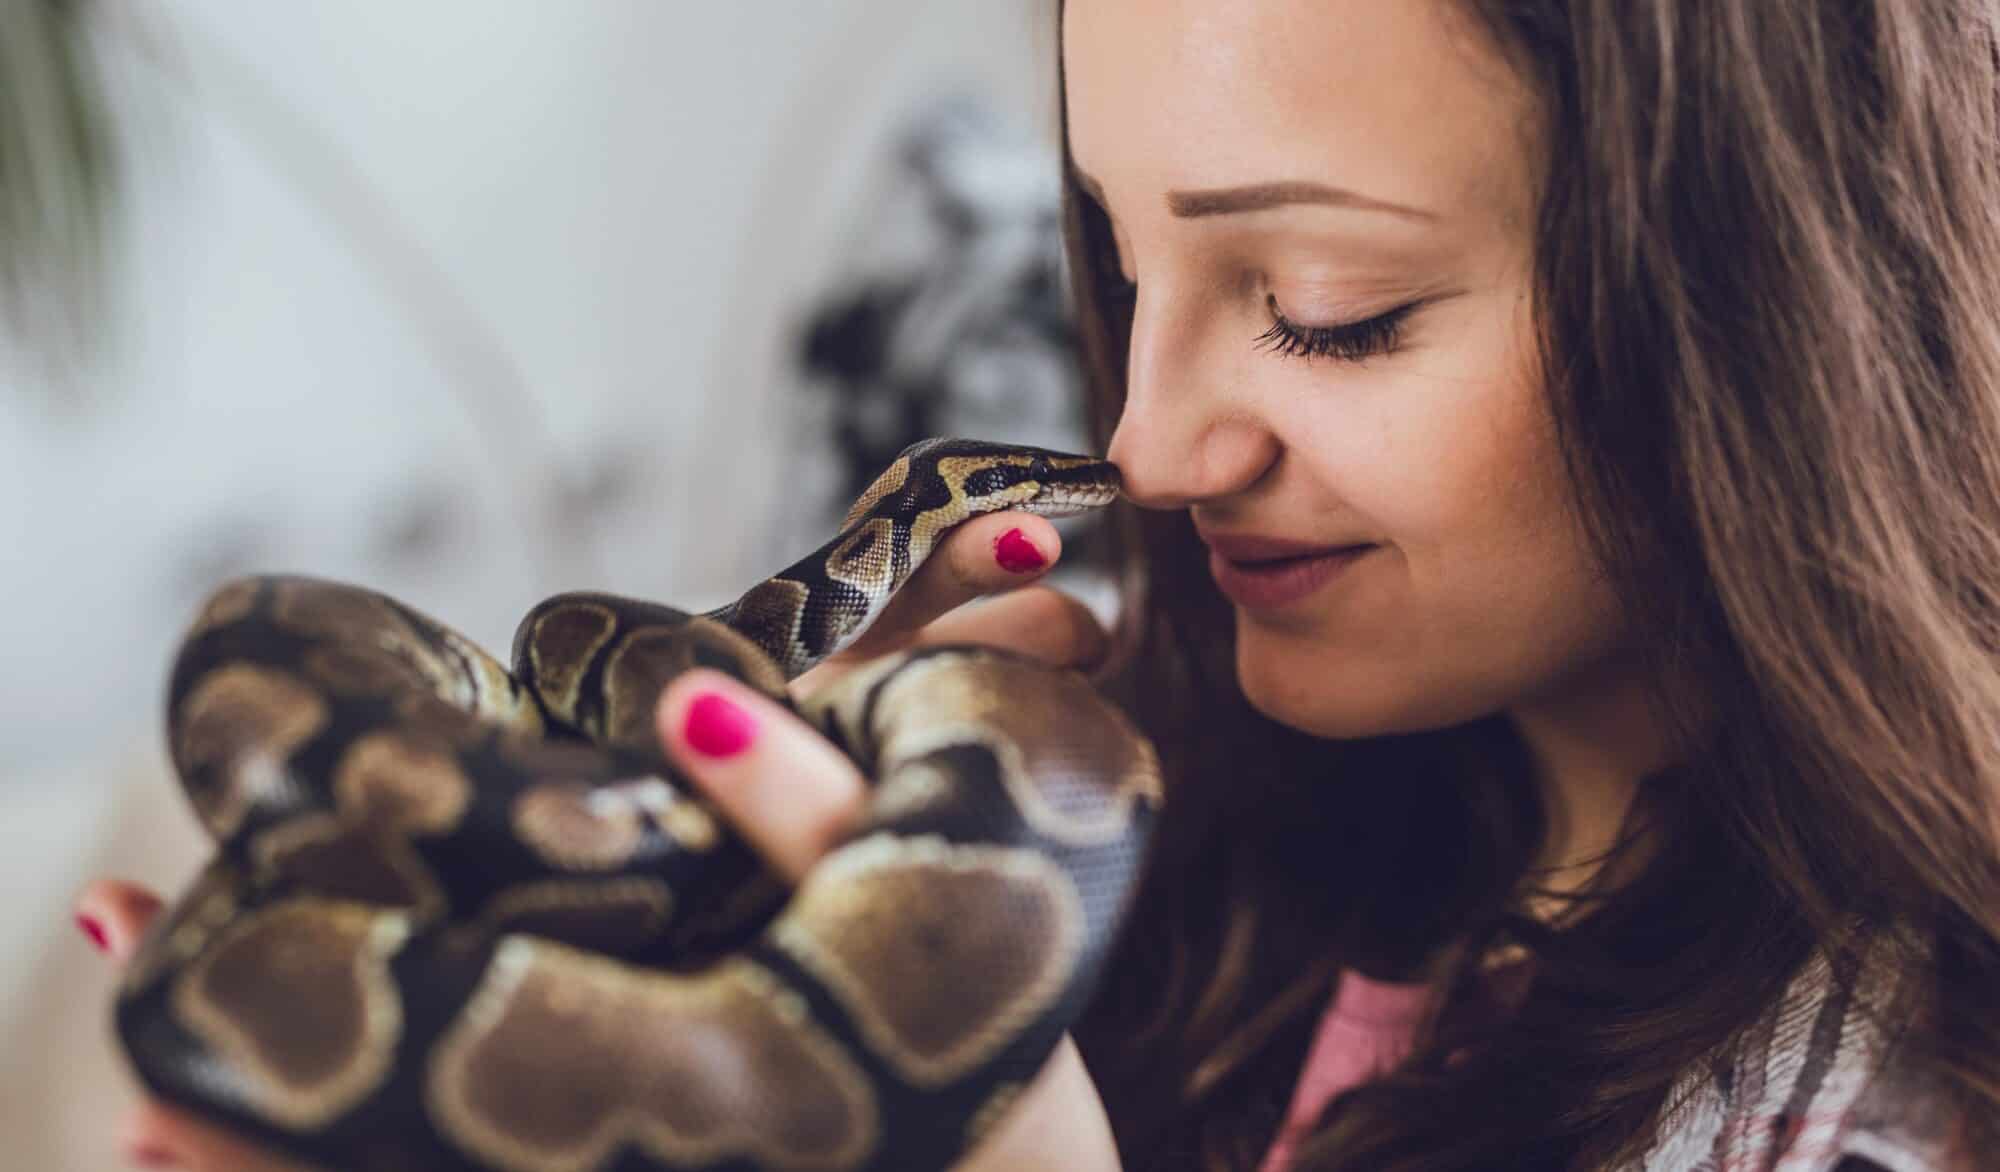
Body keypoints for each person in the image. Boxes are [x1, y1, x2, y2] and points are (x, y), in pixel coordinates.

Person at [73, 0, 2000, 1168]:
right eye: (1114, 258)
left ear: (1769, 312)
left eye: (1332, 312)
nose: (1147, 450)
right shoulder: (1208, 794)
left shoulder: (1881, 1115)